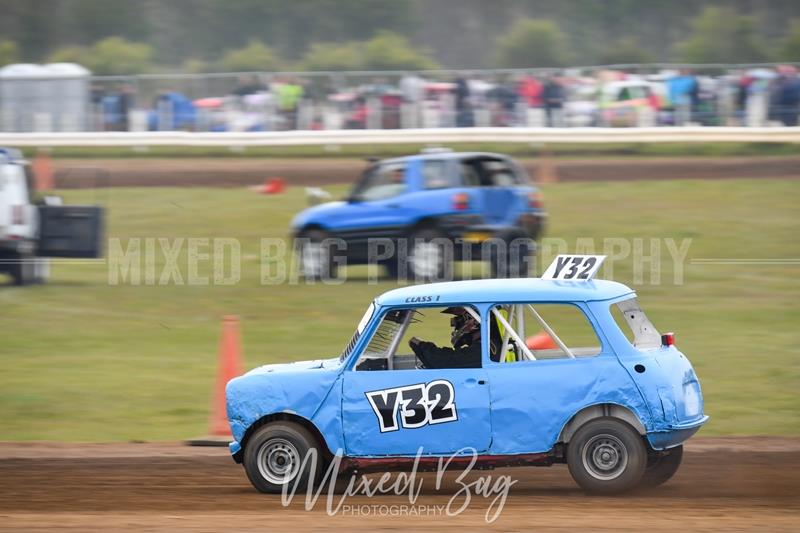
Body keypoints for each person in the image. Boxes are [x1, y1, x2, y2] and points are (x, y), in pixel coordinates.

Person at [409, 307, 504, 368]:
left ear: (474, 322)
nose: (456, 327)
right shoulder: (490, 346)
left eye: (458, 321)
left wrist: (421, 345)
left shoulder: (485, 350)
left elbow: (444, 361)